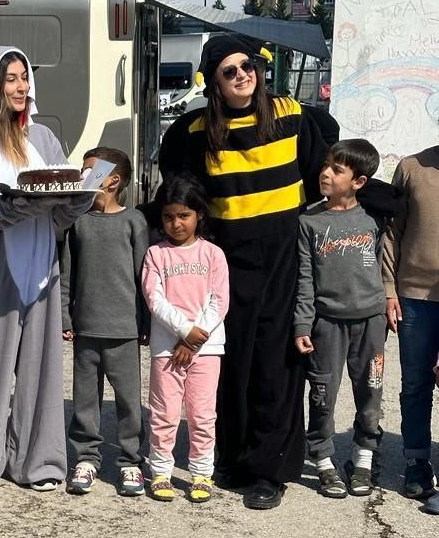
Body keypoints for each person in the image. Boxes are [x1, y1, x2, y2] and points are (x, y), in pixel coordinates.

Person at [158, 34, 328, 509]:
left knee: (275, 363)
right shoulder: (194, 132)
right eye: (229, 71)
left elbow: (323, 176)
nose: (242, 76)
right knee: (230, 362)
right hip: (226, 260)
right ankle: (229, 457)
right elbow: (177, 196)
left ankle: (269, 469)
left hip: (282, 258)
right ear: (213, 80)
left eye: (247, 66)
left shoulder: (293, 114)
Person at [0, 46, 93, 498]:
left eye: (24, 77)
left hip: (42, 266)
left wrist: (76, 199)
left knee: (41, 369)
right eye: (10, 78)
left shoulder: (44, 137)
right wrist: (12, 207)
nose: (20, 87)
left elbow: (60, 206)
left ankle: (38, 460)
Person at [294, 139, 392, 499]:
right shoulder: (309, 220)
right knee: (322, 395)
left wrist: (387, 301)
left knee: (371, 392)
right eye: (326, 165)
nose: (325, 173)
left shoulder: (374, 217)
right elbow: (304, 278)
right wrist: (303, 324)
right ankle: (322, 460)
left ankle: (364, 458)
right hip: (327, 326)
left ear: (359, 182)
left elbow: (385, 262)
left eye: (337, 169)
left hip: (371, 324)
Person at [61, 147, 149, 497]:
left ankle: (130, 461)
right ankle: (85, 457)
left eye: (88, 171)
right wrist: (65, 315)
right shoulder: (78, 222)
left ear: (113, 180)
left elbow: (145, 276)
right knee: (85, 398)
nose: (81, 175)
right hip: (86, 329)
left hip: (125, 330)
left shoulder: (134, 222)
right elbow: (67, 274)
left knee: (129, 401)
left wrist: (146, 321)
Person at [141, 175, 229, 502]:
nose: (176, 223)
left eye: (183, 216)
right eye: (168, 216)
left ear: (199, 215)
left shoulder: (213, 255)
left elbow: (219, 300)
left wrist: (193, 340)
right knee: (164, 413)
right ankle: (161, 471)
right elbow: (155, 299)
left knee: (202, 414)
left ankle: (201, 473)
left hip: (206, 349)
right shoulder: (156, 255)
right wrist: (183, 331)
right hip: (166, 349)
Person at [382, 143, 439, 510]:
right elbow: (392, 231)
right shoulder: (412, 167)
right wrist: (389, 289)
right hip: (415, 296)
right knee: (415, 383)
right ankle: (417, 462)